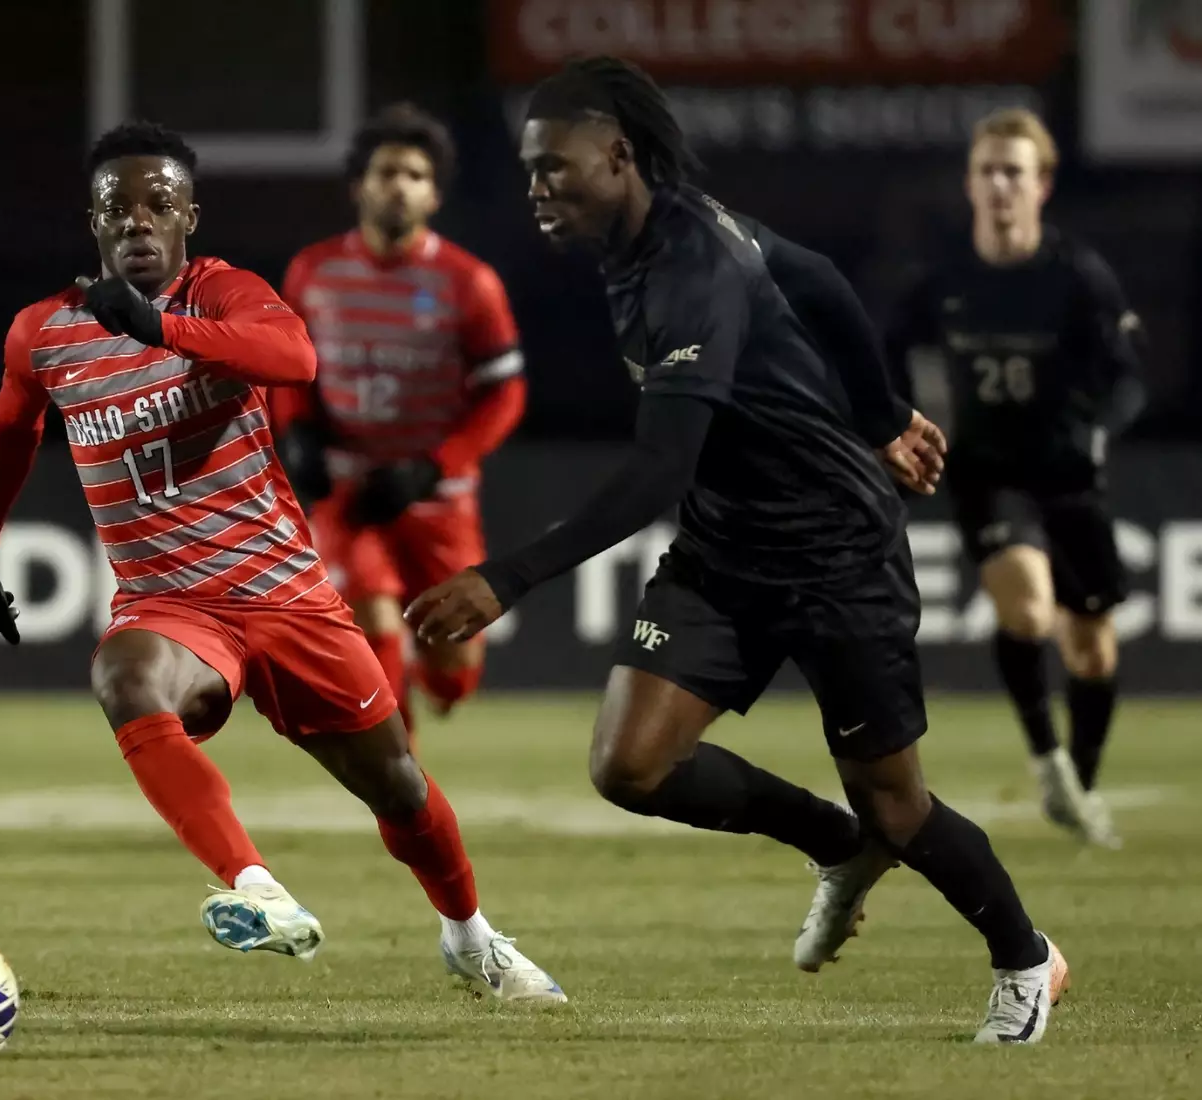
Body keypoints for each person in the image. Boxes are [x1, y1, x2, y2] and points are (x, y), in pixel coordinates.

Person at [406, 57, 1068, 1043]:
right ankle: (833, 843)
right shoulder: (664, 228)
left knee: (900, 807)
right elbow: (823, 281)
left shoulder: (687, 266)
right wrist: (884, 411)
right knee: (630, 764)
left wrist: (506, 576)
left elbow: (660, 467)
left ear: (619, 158)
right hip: (727, 544)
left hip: (833, 548)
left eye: (557, 168)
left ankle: (1027, 958)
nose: (539, 188)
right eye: (530, 170)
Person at [0, 120, 563, 1003]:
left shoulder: (225, 293)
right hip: (172, 606)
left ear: (190, 215)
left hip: (284, 594)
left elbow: (295, 358)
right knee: (123, 677)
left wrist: (158, 327)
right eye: (118, 207)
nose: (139, 222)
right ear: (93, 222)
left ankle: (471, 936)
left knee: (401, 791)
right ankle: (254, 888)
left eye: (160, 204)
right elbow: (8, 429)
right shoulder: (46, 333)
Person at [887, 108, 1144, 849]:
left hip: (1067, 475)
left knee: (1092, 647)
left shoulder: (1078, 276)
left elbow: (1128, 378)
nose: (1001, 185)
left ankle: (1081, 784)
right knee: (1030, 611)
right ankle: (1046, 760)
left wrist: (1095, 428)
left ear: (1043, 184)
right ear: (970, 184)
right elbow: (880, 357)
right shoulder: (941, 283)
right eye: (988, 171)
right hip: (987, 475)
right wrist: (896, 421)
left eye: (1015, 172)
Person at [271, 103, 527, 737]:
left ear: (434, 193)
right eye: (385, 172)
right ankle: (398, 777)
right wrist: (296, 433)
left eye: (414, 174)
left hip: (437, 493)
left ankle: (439, 679)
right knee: (371, 622)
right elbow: (287, 374)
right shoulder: (313, 272)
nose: (398, 185)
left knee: (452, 669)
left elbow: (504, 395)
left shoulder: (470, 283)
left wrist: (434, 467)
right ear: (359, 185)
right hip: (350, 489)